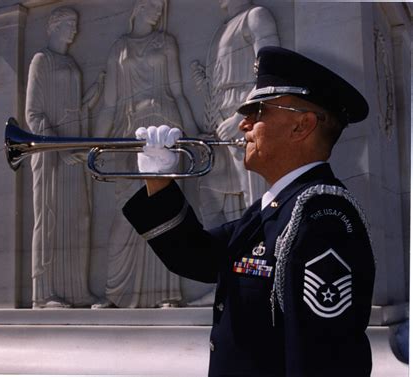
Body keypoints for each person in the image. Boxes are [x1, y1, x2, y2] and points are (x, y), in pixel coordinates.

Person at [123, 46, 375, 376]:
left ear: (302, 126)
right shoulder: (275, 207)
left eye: (257, 112)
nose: (243, 125)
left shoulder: (321, 218)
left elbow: (321, 361)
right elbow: (197, 257)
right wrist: (159, 181)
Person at [92, 0, 198, 308]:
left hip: (164, 127)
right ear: (138, 7)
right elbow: (110, 105)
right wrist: (95, 144)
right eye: (152, 6)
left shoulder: (166, 42)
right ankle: (115, 294)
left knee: (165, 205)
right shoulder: (119, 48)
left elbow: (177, 91)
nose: (158, 12)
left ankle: (168, 293)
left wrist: (194, 134)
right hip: (129, 132)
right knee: (127, 212)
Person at [189, 0, 279, 306]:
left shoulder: (256, 16)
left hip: (245, 123)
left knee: (252, 199)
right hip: (222, 124)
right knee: (211, 193)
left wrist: (242, 116)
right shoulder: (221, 29)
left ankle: (257, 280)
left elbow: (271, 74)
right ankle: (223, 276)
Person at [26, 7, 100, 308]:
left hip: (73, 151)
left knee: (79, 219)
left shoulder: (70, 62)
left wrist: (90, 101)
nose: (74, 31)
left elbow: (73, 110)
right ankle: (43, 294)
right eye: (69, 24)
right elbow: (34, 113)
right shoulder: (40, 61)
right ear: (53, 26)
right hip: (51, 155)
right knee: (50, 220)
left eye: (76, 24)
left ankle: (77, 289)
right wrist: (60, 148)